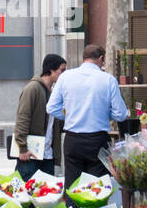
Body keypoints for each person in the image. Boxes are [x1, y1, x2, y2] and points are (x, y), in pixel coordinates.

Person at [46, 44, 128, 186]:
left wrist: (70, 114)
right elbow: (120, 114)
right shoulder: (108, 80)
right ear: (101, 59)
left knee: (73, 186)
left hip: (73, 139)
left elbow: (51, 108)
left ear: (84, 58)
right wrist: (105, 113)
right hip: (97, 140)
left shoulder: (65, 77)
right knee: (98, 189)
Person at [14, 53, 67, 180]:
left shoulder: (54, 92)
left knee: (46, 195)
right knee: (26, 193)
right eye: (62, 70)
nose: (64, 74)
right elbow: (23, 118)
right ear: (51, 70)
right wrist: (22, 147)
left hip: (48, 155)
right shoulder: (32, 89)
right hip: (31, 153)